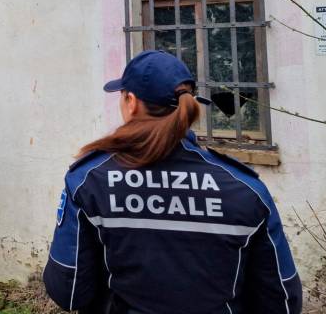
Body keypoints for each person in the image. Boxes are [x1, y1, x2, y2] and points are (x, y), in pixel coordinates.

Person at [43, 50, 302, 314]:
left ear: (131, 102)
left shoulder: (89, 180)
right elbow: (282, 301)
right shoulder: (245, 189)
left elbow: (69, 290)